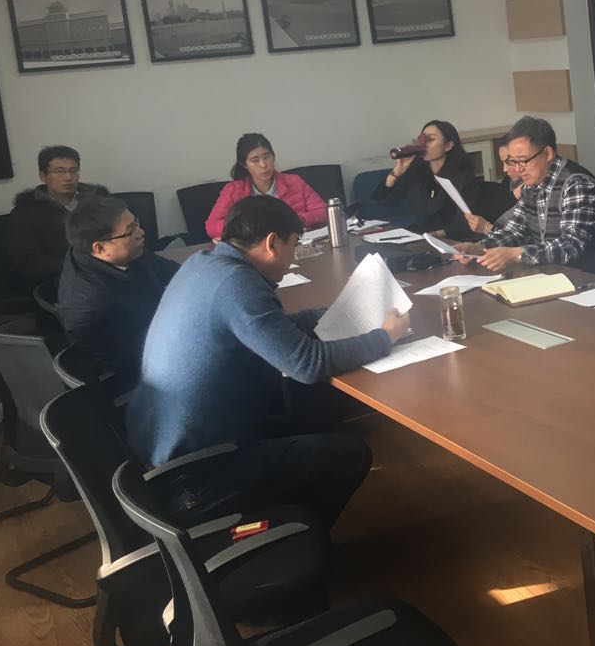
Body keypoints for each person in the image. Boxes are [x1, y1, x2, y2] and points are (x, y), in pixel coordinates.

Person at [126, 196, 408, 529]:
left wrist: (330, 315)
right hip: (197, 471)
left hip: (166, 445)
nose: (293, 257)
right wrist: (384, 338)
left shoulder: (205, 264)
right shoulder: (238, 284)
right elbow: (308, 364)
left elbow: (269, 327)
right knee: (349, 453)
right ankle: (294, 535)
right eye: (294, 245)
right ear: (272, 243)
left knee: (312, 414)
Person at [56, 196, 179, 389]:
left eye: (136, 223)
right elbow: (130, 362)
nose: (141, 232)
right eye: (130, 230)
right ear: (100, 248)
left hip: (159, 338)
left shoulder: (123, 253)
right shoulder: (89, 306)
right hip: (142, 380)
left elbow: (174, 272)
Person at [456, 116, 595, 274]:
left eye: (523, 161)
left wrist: (517, 254)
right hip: (548, 274)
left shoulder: (576, 184)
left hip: (589, 277)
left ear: (547, 153)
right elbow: (515, 231)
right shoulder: (531, 184)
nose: (518, 169)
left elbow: (570, 245)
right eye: (513, 162)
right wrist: (479, 248)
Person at [7, 145, 109, 293]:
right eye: (59, 171)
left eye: (73, 170)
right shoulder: (25, 213)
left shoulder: (99, 202)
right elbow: (28, 264)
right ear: (43, 176)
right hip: (59, 283)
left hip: (108, 271)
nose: (68, 177)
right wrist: (82, 264)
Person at [373, 120, 490, 241]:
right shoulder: (416, 171)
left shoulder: (462, 176)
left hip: (453, 238)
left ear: (448, 145)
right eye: (423, 139)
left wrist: (434, 234)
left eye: (431, 139)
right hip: (422, 233)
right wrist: (396, 173)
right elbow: (386, 202)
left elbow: (466, 223)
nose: (424, 145)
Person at [205, 133, 326, 241]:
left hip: (294, 246)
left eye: (266, 157)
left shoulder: (294, 182)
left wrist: (295, 220)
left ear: (273, 156)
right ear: (244, 165)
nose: (263, 165)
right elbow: (212, 226)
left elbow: (324, 212)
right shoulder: (233, 191)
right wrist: (249, 227)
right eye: (255, 160)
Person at [465, 139, 523, 236]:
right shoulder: (510, 180)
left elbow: (519, 239)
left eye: (510, 162)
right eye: (503, 163)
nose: (504, 169)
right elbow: (497, 210)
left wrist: (486, 228)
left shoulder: (535, 191)